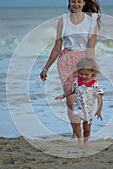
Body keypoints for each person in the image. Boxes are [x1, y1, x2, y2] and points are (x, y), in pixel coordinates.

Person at [40, 0, 101, 138]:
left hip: (84, 60)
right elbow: (57, 48)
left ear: (84, 3)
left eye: (79, 1)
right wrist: (45, 68)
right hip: (66, 60)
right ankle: (75, 131)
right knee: (70, 100)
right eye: (73, 1)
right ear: (69, 3)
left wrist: (92, 68)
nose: (76, 4)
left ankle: (84, 133)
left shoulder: (92, 21)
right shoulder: (63, 21)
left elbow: (91, 47)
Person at [55, 57, 103, 148]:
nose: (83, 76)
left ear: (93, 72)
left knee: (87, 128)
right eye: (81, 74)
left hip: (88, 110)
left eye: (86, 74)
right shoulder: (77, 81)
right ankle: (80, 142)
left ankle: (86, 142)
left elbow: (100, 98)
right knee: (76, 123)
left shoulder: (95, 84)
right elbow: (73, 91)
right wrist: (63, 95)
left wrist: (99, 110)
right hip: (77, 106)